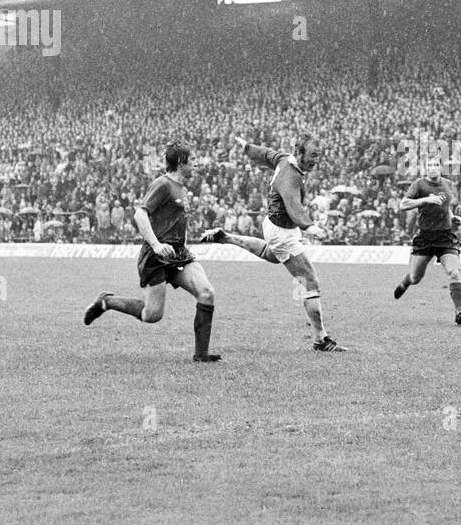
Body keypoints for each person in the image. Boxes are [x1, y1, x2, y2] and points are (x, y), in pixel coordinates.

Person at [201, 134, 346, 351]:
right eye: (313, 155)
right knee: (309, 280)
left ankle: (227, 238)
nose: (316, 160)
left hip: (274, 226)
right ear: (299, 153)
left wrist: (247, 147)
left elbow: (266, 154)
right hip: (283, 231)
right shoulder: (292, 177)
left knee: (274, 257)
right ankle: (320, 338)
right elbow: (293, 204)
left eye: (318, 155)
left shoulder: (284, 159)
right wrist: (310, 226)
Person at [83, 142, 222, 363]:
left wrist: (183, 246)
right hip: (156, 257)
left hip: (178, 254)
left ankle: (201, 355)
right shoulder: (163, 184)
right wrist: (157, 245)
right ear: (180, 162)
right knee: (152, 315)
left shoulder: (182, 188)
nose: (196, 163)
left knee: (207, 293)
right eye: (192, 159)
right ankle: (106, 302)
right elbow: (140, 214)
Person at [392, 157, 461, 324]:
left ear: (441, 168)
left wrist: (453, 217)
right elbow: (403, 205)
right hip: (425, 237)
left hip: (445, 236)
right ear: (426, 168)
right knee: (415, 278)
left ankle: (459, 311)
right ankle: (406, 282)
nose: (433, 168)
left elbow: (445, 206)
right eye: (429, 165)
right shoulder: (419, 185)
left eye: (436, 165)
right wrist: (426, 199)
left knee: (454, 272)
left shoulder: (448, 184)